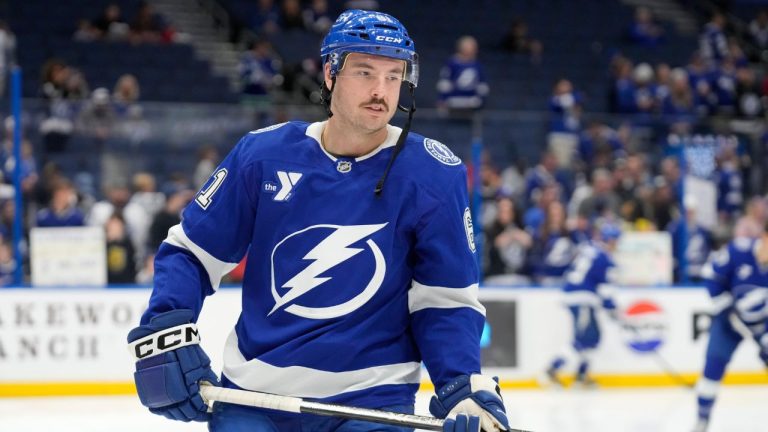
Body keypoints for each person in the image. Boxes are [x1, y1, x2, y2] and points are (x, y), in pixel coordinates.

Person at [126, 9, 509, 432]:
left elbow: (444, 300)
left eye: (393, 75)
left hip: (373, 402)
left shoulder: (434, 173)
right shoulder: (263, 156)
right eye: (365, 72)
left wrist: (461, 386)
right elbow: (192, 253)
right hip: (253, 397)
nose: (381, 91)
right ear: (330, 73)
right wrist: (168, 327)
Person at [692, 224, 768, 432]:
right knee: (713, 367)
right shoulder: (738, 251)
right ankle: (702, 420)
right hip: (729, 321)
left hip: (763, 324)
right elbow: (711, 279)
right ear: (764, 237)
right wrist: (727, 309)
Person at [544, 220, 621, 388]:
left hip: (576, 295)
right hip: (582, 298)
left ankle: (581, 375)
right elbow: (604, 289)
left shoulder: (588, 248)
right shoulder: (604, 257)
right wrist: (612, 308)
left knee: (593, 338)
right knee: (582, 338)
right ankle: (551, 370)